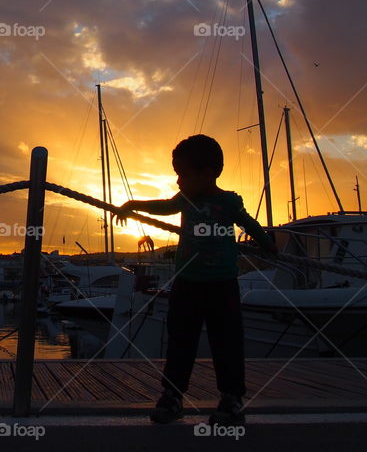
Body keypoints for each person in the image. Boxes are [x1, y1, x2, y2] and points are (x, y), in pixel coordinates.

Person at [117, 134, 277, 426]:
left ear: (209, 173)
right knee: (180, 341)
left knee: (226, 343)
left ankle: (231, 400)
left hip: (223, 285)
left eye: (183, 174)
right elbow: (165, 207)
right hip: (187, 283)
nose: (178, 181)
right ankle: (173, 396)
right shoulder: (186, 199)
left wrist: (267, 243)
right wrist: (132, 204)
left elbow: (249, 224)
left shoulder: (229, 202)